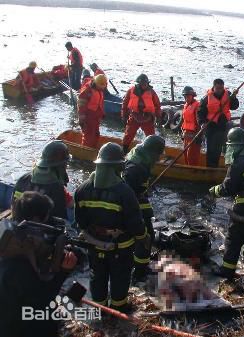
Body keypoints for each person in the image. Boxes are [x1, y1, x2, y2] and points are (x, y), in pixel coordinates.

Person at [75, 142, 149, 312]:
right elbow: (135, 224)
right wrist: (144, 238)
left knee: (97, 276)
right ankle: (118, 308)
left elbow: (80, 223)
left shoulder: (81, 190)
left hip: (94, 245)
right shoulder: (125, 192)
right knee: (120, 277)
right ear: (118, 167)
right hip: (120, 248)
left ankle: (100, 309)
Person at [0, 192, 78, 337]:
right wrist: (63, 272)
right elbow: (42, 301)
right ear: (37, 220)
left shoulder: (9, 243)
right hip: (21, 327)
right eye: (47, 217)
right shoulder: (20, 265)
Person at [209, 128, 244, 280]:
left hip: (243, 207)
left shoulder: (238, 163)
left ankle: (227, 270)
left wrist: (214, 191)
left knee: (233, 239)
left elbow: (228, 188)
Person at [123, 135, 165, 283]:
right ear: (152, 152)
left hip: (138, 198)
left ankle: (139, 265)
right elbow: (128, 194)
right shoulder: (136, 168)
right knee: (146, 237)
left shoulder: (139, 154)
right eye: (158, 155)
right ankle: (139, 272)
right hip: (133, 205)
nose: (158, 158)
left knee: (144, 236)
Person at [13, 140, 72, 220]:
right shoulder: (57, 188)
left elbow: (13, 205)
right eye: (66, 164)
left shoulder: (23, 178)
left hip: (19, 224)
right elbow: (60, 219)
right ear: (61, 166)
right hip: (41, 229)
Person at [197, 78, 239, 167]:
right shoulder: (206, 98)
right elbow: (200, 112)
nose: (220, 90)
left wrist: (234, 97)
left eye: (221, 88)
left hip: (224, 125)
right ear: (214, 87)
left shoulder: (228, 95)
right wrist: (202, 123)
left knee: (225, 147)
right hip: (211, 126)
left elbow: (234, 106)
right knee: (212, 148)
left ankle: (226, 165)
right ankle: (211, 167)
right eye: (218, 88)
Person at [121, 74, 162, 154]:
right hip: (134, 115)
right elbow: (125, 103)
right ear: (139, 83)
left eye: (145, 83)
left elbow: (157, 105)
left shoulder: (152, 92)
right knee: (128, 134)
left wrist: (159, 117)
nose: (144, 85)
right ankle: (124, 150)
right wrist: (123, 115)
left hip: (147, 117)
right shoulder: (131, 90)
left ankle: (152, 153)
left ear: (147, 83)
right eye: (142, 83)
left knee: (151, 137)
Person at [78, 74, 107, 148]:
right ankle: (85, 150)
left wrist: (102, 113)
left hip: (96, 117)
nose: (103, 88)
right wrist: (81, 119)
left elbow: (100, 103)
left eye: (104, 86)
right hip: (88, 117)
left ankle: (93, 148)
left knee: (96, 134)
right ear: (96, 83)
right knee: (88, 135)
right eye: (101, 86)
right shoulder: (87, 91)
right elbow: (81, 105)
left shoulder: (99, 90)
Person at [181, 86, 201, 166]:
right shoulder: (186, 105)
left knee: (191, 156)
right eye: (185, 96)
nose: (186, 98)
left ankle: (193, 171)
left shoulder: (197, 106)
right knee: (185, 154)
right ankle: (187, 170)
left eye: (188, 96)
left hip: (194, 134)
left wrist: (199, 135)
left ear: (192, 96)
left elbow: (199, 122)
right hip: (186, 134)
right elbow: (185, 120)